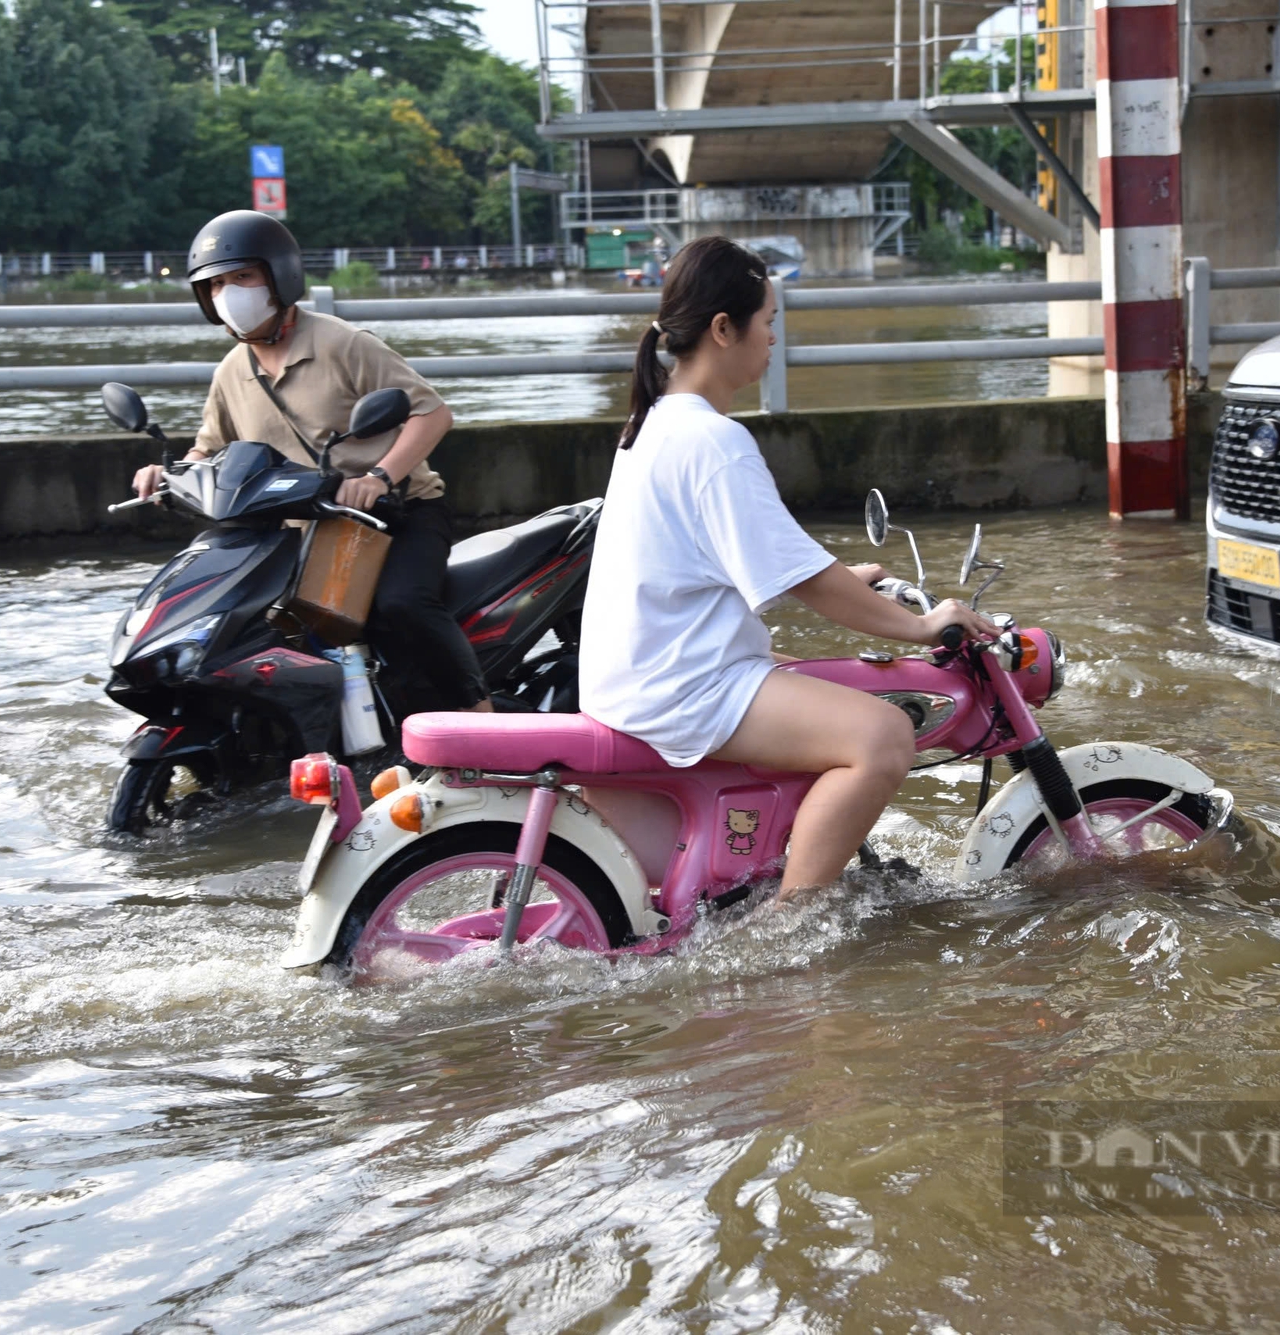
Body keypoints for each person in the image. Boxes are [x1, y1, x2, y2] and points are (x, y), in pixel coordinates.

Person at [579, 235, 996, 898]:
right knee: (885, 735)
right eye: (768, 321)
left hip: (642, 672)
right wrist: (921, 627)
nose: (773, 337)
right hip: (684, 685)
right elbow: (801, 578)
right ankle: (791, 927)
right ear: (724, 329)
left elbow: (755, 559)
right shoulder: (714, 439)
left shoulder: (651, 424)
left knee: (815, 681)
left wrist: (844, 578)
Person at [132, 211, 490, 717]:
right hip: (304, 533)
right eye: (214, 285)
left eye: (242, 278)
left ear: (278, 276)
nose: (227, 294)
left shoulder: (342, 343)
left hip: (396, 517)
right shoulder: (233, 371)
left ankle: (481, 717)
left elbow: (432, 414)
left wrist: (378, 476)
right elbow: (208, 449)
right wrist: (165, 474)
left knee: (400, 606)